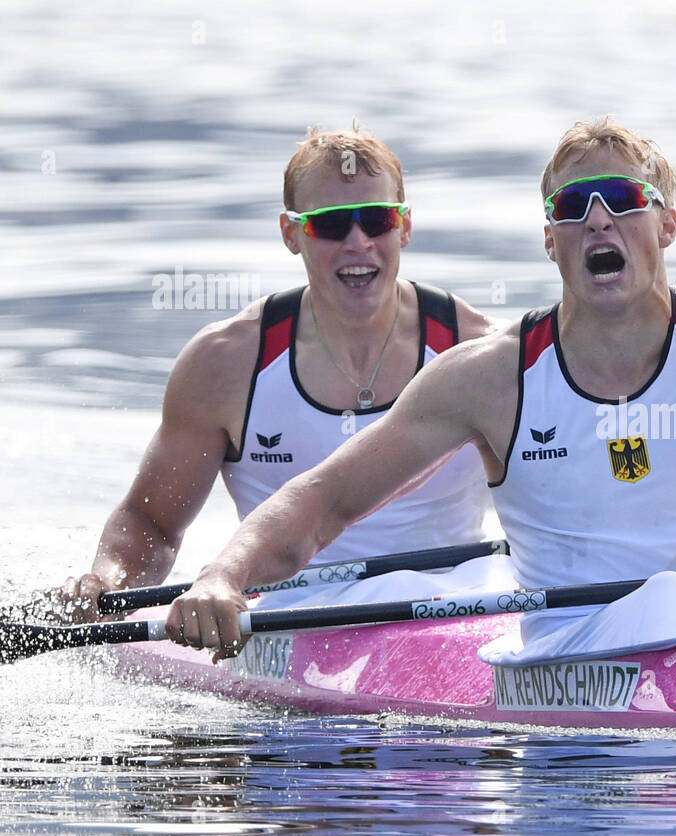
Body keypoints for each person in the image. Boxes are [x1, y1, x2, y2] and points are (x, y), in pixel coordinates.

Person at [168, 42, 676, 663]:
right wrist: (225, 578)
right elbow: (323, 501)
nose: (598, 218)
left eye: (621, 196)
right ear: (550, 240)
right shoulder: (489, 379)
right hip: (575, 679)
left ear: (668, 224)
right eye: (572, 206)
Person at [54, 127, 498, 622]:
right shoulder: (225, 364)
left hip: (454, 613)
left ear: (405, 227)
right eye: (329, 225)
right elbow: (153, 522)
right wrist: (107, 581)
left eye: (377, 220)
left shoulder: (481, 350)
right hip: (288, 614)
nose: (359, 242)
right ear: (291, 234)